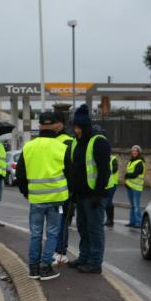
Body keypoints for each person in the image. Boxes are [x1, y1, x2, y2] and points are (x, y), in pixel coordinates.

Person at [16, 112, 71, 281]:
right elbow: (71, 173)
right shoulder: (62, 147)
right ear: (55, 126)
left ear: (39, 126)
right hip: (57, 199)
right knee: (53, 233)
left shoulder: (29, 147)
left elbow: (20, 174)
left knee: (36, 233)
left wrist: (26, 192)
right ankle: (46, 267)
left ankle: (33, 269)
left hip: (36, 199)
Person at [66, 104, 111, 274]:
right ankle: (83, 257)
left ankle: (95, 262)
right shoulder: (77, 143)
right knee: (83, 229)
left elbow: (104, 170)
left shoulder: (98, 142)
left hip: (94, 196)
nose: (74, 130)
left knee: (94, 230)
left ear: (83, 126)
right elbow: (75, 168)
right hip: (81, 194)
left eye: (76, 127)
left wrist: (98, 195)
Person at [52, 115, 76, 261]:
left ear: (61, 124)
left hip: (64, 188)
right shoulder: (56, 140)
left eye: (54, 122)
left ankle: (60, 252)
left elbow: (71, 167)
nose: (52, 126)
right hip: (56, 188)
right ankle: (58, 251)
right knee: (56, 222)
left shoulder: (67, 141)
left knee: (61, 221)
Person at [124, 146, 145, 228]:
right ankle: (132, 222)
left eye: (136, 151)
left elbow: (135, 174)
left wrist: (126, 175)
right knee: (132, 206)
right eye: (133, 151)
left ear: (139, 152)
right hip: (129, 186)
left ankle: (138, 222)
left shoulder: (140, 162)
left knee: (136, 206)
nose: (134, 152)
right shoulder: (131, 161)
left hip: (136, 188)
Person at [104, 153, 120, 227]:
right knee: (107, 201)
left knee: (108, 201)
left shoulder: (113, 159)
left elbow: (114, 169)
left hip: (112, 183)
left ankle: (110, 220)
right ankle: (109, 219)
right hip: (107, 183)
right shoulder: (104, 158)